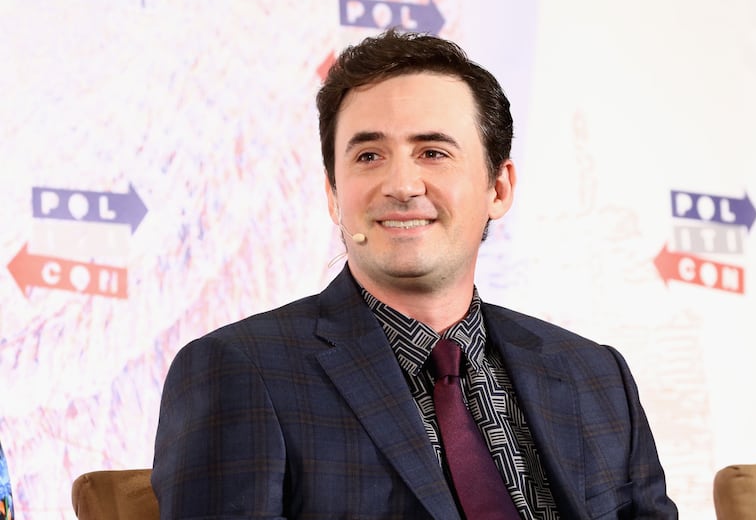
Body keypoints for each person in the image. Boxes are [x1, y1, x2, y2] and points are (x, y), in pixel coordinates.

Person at [152, 29, 678, 519]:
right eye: (369, 155)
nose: (401, 184)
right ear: (335, 196)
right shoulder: (241, 371)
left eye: (432, 152)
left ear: (499, 188)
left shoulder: (595, 374)